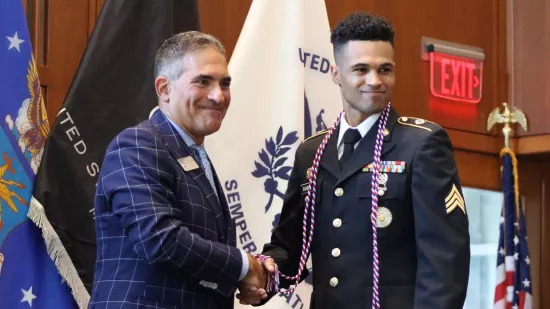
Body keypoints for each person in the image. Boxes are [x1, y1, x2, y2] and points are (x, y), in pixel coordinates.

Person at [238, 12, 470, 309]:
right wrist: (262, 276)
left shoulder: (421, 144)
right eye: (361, 69)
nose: (375, 81)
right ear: (336, 73)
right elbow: (289, 245)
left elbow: (445, 261)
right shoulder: (312, 152)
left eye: (384, 69)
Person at [89, 31, 267, 309]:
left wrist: (236, 280)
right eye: (203, 81)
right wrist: (244, 267)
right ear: (164, 89)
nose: (218, 95)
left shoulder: (192, 153)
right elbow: (161, 240)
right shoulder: (137, 145)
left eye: (225, 83)